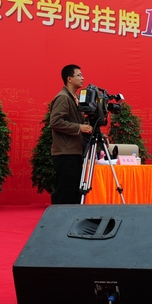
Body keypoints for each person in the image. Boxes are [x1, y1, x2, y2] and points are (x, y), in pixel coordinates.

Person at [50, 64, 92, 204]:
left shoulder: (77, 98)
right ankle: (59, 217)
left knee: (74, 193)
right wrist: (79, 127)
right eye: (79, 75)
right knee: (65, 192)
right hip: (65, 153)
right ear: (69, 79)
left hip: (74, 152)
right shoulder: (63, 97)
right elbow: (55, 122)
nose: (82, 78)